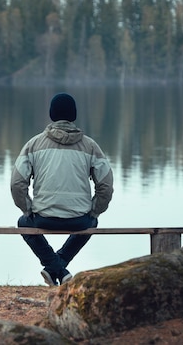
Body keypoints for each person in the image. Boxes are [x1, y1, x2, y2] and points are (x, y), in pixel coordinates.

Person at [10, 92, 114, 286]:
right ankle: (60, 268)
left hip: (43, 217)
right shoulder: (90, 146)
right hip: (80, 220)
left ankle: (54, 267)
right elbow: (105, 186)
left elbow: (17, 183)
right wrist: (94, 211)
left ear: (51, 114)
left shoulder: (33, 145)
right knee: (93, 222)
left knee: (23, 222)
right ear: (73, 115)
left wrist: (28, 209)